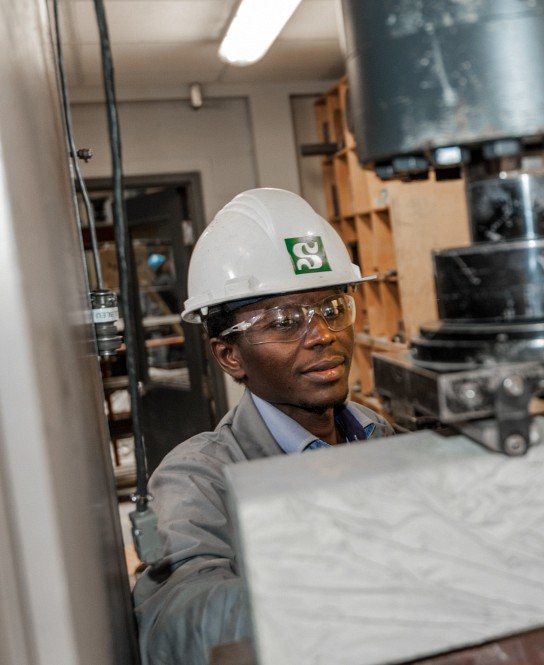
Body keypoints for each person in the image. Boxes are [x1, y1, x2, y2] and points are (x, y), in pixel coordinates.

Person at [132, 188, 395, 665]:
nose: (322, 335)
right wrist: (361, 589)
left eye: (333, 309)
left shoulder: (375, 431)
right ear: (229, 355)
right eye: (285, 321)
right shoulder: (198, 478)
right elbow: (174, 624)